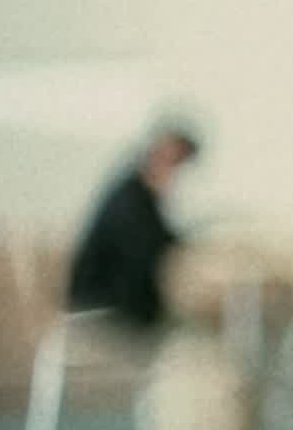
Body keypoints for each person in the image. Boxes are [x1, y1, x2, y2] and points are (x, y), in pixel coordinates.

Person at [62, 114, 199, 332]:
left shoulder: (145, 200)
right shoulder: (128, 199)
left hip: (117, 311)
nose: (174, 173)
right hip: (100, 313)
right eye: (173, 162)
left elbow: (165, 241)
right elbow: (141, 260)